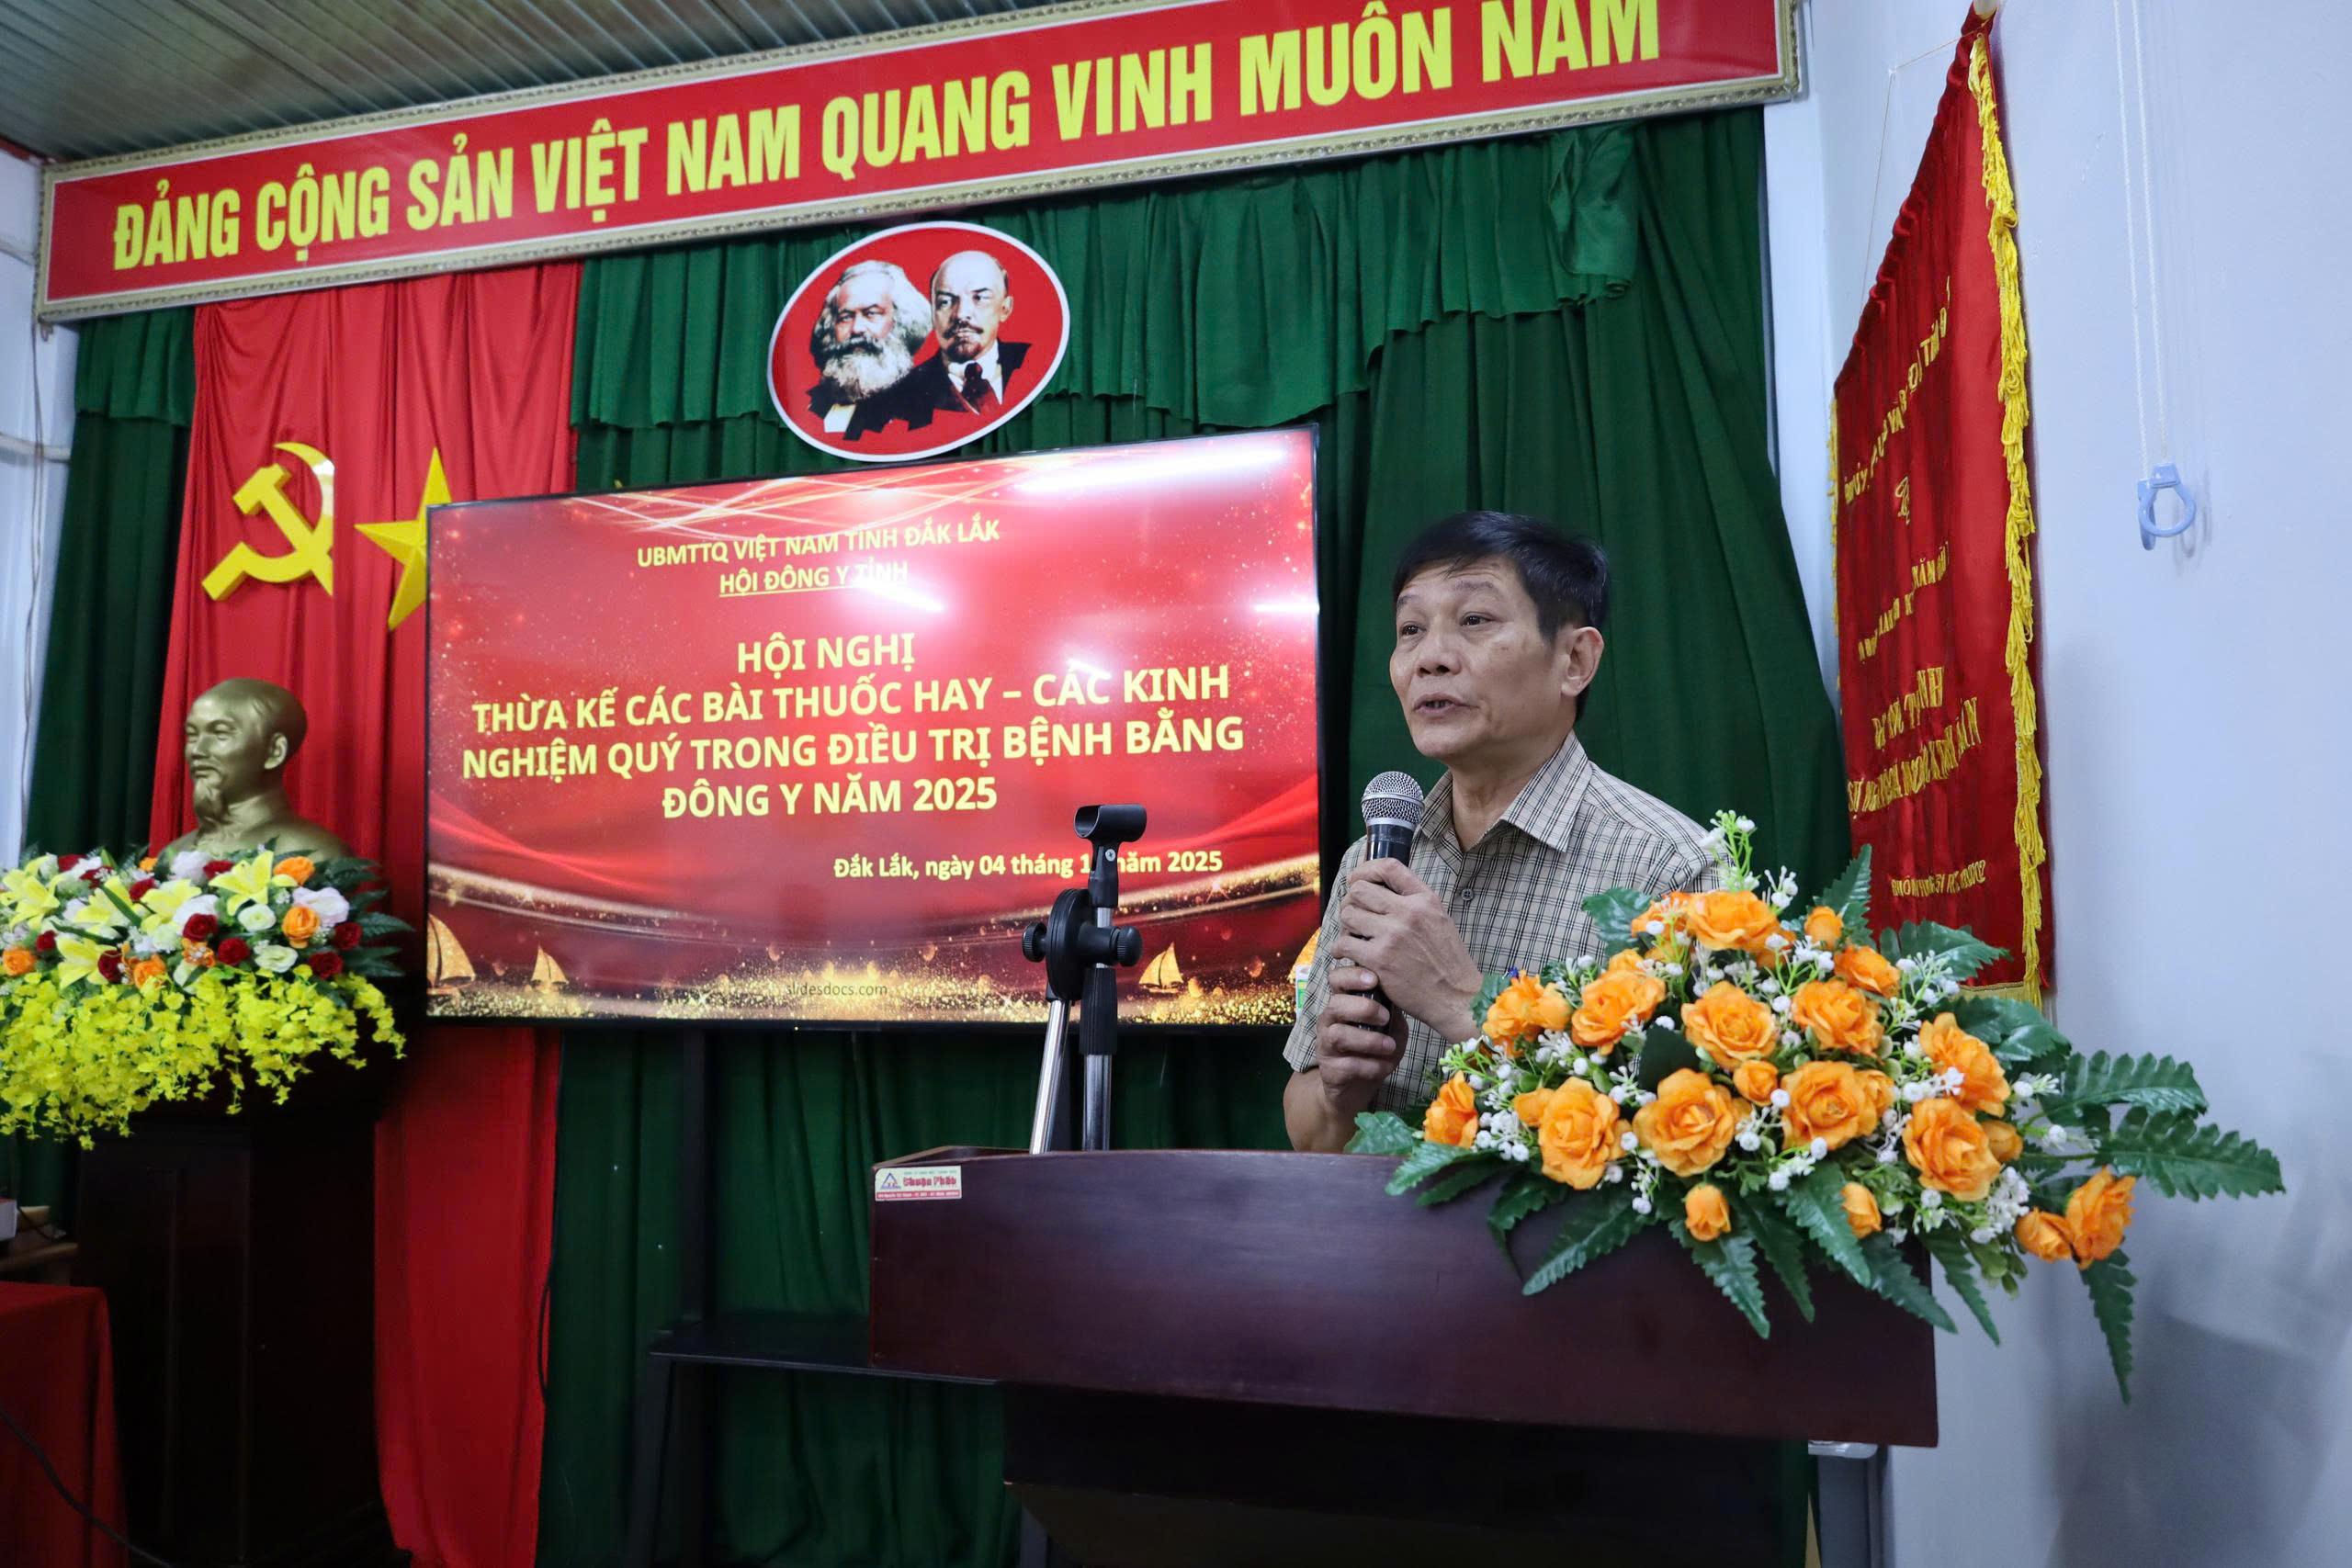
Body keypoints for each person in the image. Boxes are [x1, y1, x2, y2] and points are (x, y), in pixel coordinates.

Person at [1282, 513, 1718, 1153]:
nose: (1430, 658)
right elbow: (1311, 1137)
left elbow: (1682, 1150)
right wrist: (1339, 1093)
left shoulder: (1673, 871)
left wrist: (1460, 1003)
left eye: (1475, 620)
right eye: (1410, 629)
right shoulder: (1374, 860)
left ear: (1575, 660)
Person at [159, 677, 351, 859]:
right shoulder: (174, 854)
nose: (197, 750)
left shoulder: (312, 854)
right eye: (192, 735)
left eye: (220, 734)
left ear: (274, 751)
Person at [864, 249, 1032, 432]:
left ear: (1005, 308)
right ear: (932, 313)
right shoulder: (893, 398)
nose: (960, 314)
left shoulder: (1033, 361)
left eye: (980, 298)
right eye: (945, 302)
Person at [803, 259, 933, 440]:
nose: (857, 328)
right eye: (845, 317)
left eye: (871, 313)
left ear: (902, 321)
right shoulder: (812, 405)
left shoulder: (924, 406)